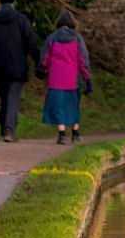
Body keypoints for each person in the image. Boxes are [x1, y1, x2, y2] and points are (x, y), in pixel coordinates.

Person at [0, 0, 39, 142]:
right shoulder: (21, 20)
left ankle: (4, 129)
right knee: (12, 97)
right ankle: (9, 130)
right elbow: (31, 42)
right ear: (13, 1)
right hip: (17, 66)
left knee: (4, 97)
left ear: (0, 1)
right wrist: (38, 63)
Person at [39, 9, 93, 144]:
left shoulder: (52, 38)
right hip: (73, 78)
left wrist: (42, 69)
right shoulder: (77, 38)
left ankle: (62, 134)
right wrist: (87, 78)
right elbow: (83, 60)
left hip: (55, 78)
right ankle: (75, 133)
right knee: (73, 104)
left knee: (59, 106)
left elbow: (45, 58)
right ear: (72, 23)